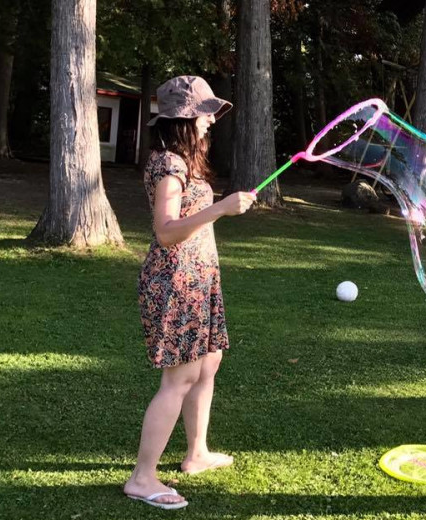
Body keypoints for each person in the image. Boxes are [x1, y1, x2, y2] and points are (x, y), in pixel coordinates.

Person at [123, 76, 256, 510]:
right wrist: (221, 207)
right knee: (179, 378)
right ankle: (142, 478)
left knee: (208, 364)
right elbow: (165, 232)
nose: (211, 121)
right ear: (183, 118)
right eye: (204, 113)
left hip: (199, 281)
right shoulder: (168, 165)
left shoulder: (184, 162)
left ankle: (196, 453)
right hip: (175, 281)